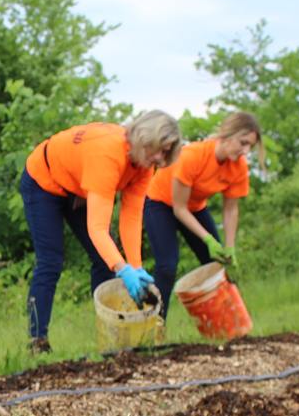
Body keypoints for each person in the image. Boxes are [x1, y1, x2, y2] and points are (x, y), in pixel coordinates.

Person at [20, 111, 182, 352]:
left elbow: (131, 217)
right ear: (142, 138)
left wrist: (135, 266)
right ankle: (37, 341)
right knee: (51, 261)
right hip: (43, 181)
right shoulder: (108, 155)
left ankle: (108, 339)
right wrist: (123, 269)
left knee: (105, 260)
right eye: (158, 149)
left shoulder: (145, 165)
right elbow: (97, 229)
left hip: (78, 187)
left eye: (166, 152)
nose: (160, 157)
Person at [144, 111, 263, 317]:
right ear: (228, 135)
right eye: (242, 143)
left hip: (195, 207)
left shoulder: (239, 167)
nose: (245, 151)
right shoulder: (193, 156)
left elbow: (231, 208)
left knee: (217, 266)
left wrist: (229, 246)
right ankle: (155, 327)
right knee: (167, 266)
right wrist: (207, 238)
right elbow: (179, 208)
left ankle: (231, 323)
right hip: (160, 204)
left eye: (250, 146)